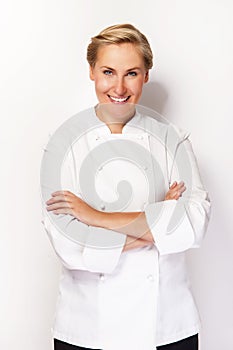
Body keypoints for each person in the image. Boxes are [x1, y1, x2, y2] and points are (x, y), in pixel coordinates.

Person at [41, 24, 211, 350]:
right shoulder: (62, 144)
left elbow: (194, 225)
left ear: (146, 75)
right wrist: (160, 218)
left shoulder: (172, 138)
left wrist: (93, 217)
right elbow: (69, 246)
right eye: (108, 71)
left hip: (167, 325)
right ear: (91, 71)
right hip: (87, 327)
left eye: (131, 73)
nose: (119, 86)